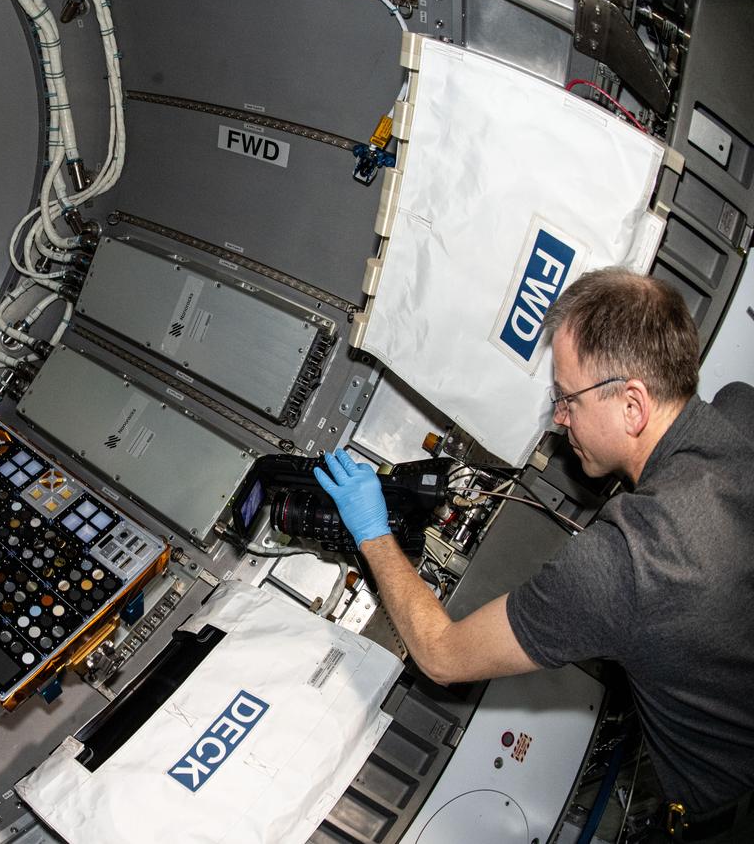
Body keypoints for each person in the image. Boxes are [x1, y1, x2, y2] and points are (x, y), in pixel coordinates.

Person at [314, 268, 754, 843]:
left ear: (633, 406)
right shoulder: (738, 415)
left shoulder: (624, 562)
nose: (559, 419)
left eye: (567, 399)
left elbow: (442, 656)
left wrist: (372, 532)